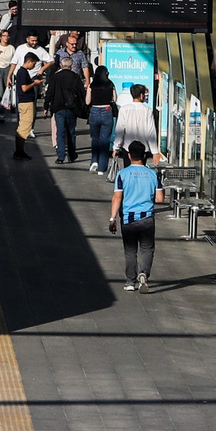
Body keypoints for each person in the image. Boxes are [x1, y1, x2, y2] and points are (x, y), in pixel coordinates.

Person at [108, 140, 159, 291]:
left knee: (130, 251)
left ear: (129, 156)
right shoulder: (152, 174)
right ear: (144, 156)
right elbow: (160, 198)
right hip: (147, 218)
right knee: (147, 249)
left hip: (128, 218)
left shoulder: (122, 174)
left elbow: (117, 197)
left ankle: (130, 281)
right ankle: (143, 273)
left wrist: (112, 218)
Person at [43, 53, 86, 166]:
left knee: (60, 132)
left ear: (61, 66)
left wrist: (46, 106)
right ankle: (72, 155)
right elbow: (81, 93)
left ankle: (61, 156)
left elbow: (50, 92)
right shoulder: (76, 77)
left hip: (58, 108)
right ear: (71, 66)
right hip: (72, 108)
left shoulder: (56, 77)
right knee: (71, 132)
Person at [113, 82, 159, 167]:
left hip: (127, 147)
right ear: (141, 95)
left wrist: (116, 147)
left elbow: (120, 130)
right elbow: (151, 131)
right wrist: (155, 152)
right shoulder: (148, 110)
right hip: (143, 148)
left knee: (128, 169)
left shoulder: (124, 109)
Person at [85, 65, 117, 177]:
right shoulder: (110, 84)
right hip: (107, 110)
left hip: (94, 111)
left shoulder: (92, 85)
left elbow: (87, 101)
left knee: (95, 139)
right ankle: (102, 168)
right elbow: (115, 99)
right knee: (105, 140)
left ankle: (94, 161)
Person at [8, 56, 40, 162]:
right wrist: (34, 83)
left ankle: (20, 150)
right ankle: (19, 151)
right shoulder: (23, 72)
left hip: (24, 102)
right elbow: (24, 88)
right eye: (34, 63)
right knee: (24, 127)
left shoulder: (22, 72)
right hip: (26, 103)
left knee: (23, 127)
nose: (34, 66)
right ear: (29, 61)